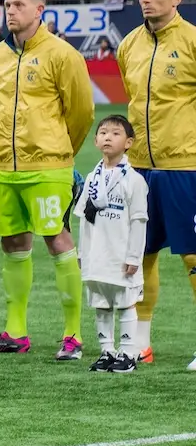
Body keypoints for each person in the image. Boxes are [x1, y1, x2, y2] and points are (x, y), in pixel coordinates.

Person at [0, 0, 94, 359]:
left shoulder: (63, 54)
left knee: (56, 239)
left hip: (48, 167)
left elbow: (82, 112)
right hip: (4, 169)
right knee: (12, 243)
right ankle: (15, 332)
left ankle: (73, 336)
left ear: (39, 10)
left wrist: (60, 152)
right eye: (7, 4)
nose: (11, 11)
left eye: (19, 5)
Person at [114, 0, 195, 368]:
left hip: (187, 167)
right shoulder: (128, 45)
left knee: (193, 256)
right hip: (140, 168)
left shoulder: (193, 41)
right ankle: (139, 344)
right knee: (140, 255)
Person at [76, 116, 150, 373]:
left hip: (121, 256)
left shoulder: (134, 181)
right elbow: (85, 219)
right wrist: (81, 252)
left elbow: (140, 222)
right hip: (96, 254)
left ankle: (128, 353)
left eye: (116, 133)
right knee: (101, 303)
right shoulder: (91, 179)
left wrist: (133, 257)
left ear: (129, 142)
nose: (108, 137)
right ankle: (107, 351)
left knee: (126, 301)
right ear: (96, 141)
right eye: (103, 132)